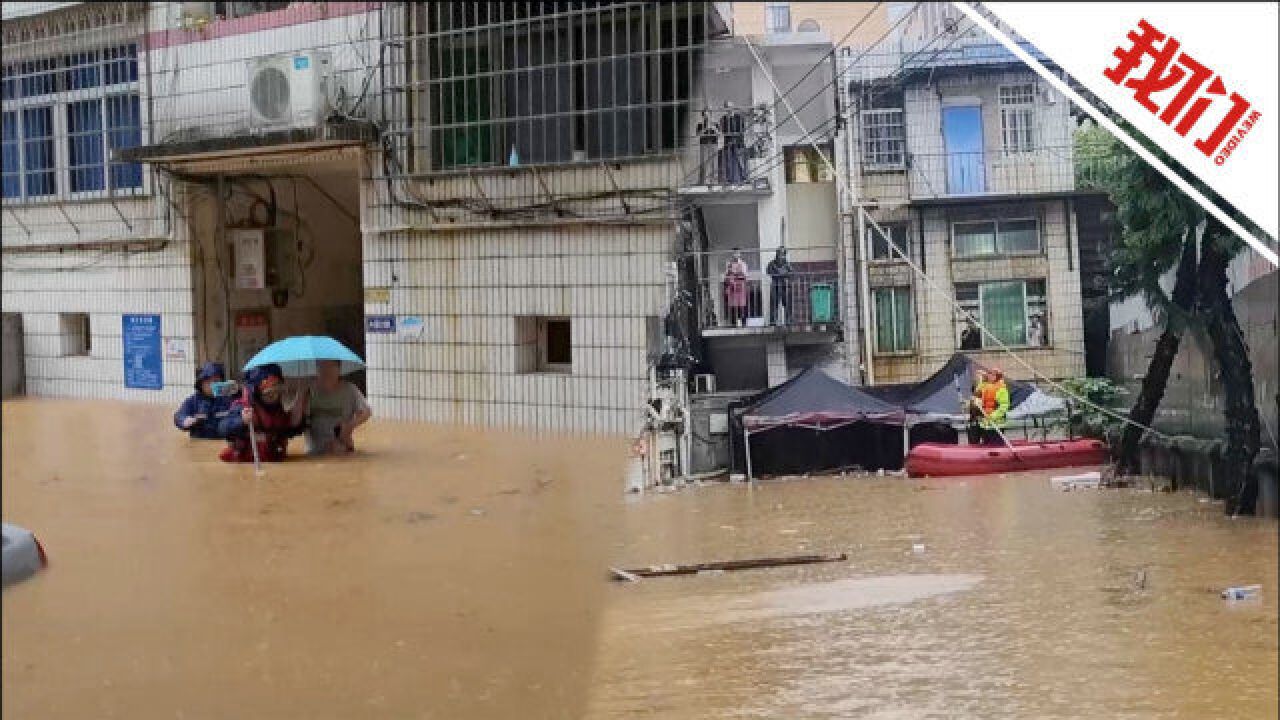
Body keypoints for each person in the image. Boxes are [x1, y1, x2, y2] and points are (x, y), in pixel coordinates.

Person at [217, 363, 304, 463]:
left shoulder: (277, 409)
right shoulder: (243, 407)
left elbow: (288, 429)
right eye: (270, 392)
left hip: (271, 460)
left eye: (277, 391)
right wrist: (242, 421)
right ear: (257, 391)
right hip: (246, 464)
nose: (274, 396)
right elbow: (223, 427)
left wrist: (300, 400)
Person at [290, 359, 373, 455]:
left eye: (331, 367)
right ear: (316, 370)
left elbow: (367, 412)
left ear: (339, 369)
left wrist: (350, 426)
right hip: (314, 452)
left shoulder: (350, 390)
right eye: (322, 368)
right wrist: (301, 392)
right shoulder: (308, 390)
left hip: (341, 449)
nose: (326, 372)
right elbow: (294, 421)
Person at [173, 362, 235, 439]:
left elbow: (238, 415)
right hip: (200, 444)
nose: (212, 385)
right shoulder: (193, 401)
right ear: (201, 384)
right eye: (208, 382)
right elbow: (180, 415)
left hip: (222, 444)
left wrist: (237, 391)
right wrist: (185, 421)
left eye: (216, 381)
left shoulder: (228, 399)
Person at [974, 367, 1011, 446]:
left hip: (996, 423)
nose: (989, 376)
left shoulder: (1001, 388)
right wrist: (982, 380)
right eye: (989, 374)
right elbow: (978, 393)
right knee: (986, 443)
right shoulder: (986, 385)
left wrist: (992, 416)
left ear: (997, 376)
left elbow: (1004, 405)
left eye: (992, 374)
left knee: (996, 443)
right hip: (985, 422)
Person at [718, 102, 747, 184]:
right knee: (729, 161)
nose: (728, 109)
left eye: (729, 107)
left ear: (733, 107)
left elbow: (741, 129)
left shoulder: (739, 117)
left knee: (740, 160)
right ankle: (729, 179)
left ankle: (744, 177)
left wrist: (735, 136)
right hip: (728, 143)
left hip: (739, 143)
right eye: (726, 107)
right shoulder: (723, 119)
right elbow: (723, 130)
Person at [766, 246, 793, 326]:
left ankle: (788, 320)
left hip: (785, 285)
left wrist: (783, 274)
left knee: (787, 303)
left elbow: (791, 273)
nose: (781, 256)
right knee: (774, 303)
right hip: (775, 285)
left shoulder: (787, 264)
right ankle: (773, 321)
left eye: (783, 254)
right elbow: (769, 271)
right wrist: (780, 274)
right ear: (777, 254)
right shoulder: (772, 263)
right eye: (780, 253)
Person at [723, 249, 749, 327]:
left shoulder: (743, 264)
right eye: (734, 253)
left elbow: (745, 275)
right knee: (733, 306)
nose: (735, 255)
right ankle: (733, 324)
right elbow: (726, 275)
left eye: (737, 253)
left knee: (742, 306)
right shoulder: (729, 264)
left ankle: (744, 324)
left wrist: (737, 273)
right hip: (732, 287)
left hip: (741, 286)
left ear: (739, 254)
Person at [695, 109, 721, 185]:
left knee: (714, 163)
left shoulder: (715, 124)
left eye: (708, 115)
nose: (707, 117)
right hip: (704, 145)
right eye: (705, 116)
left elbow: (719, 134)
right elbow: (698, 135)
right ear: (703, 116)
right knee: (704, 163)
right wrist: (705, 128)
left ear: (710, 115)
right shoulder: (700, 125)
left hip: (713, 145)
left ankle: (714, 181)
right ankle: (703, 181)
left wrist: (714, 128)